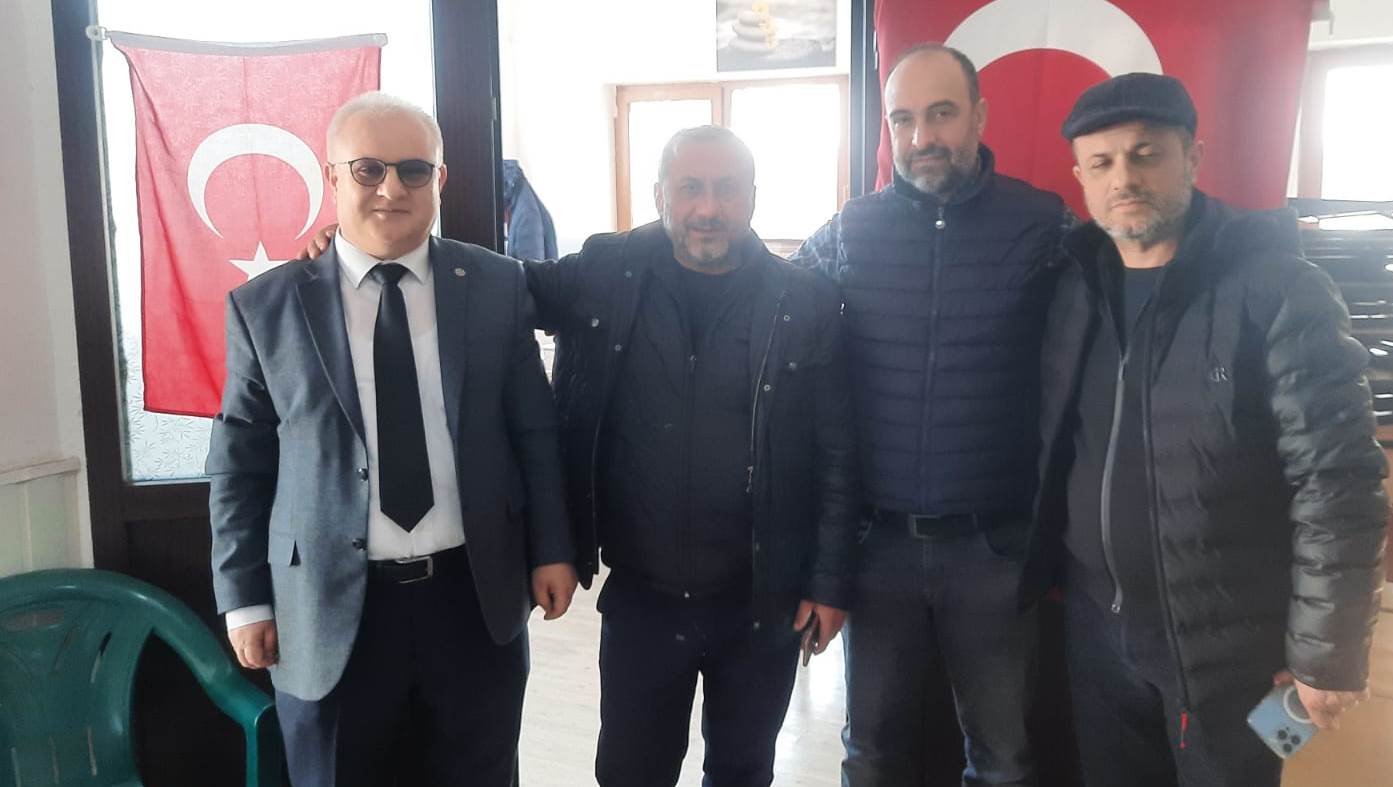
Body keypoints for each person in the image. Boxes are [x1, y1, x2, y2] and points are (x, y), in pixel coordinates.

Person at [1023, 72, 1387, 787]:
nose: (1124, 178)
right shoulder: (1075, 287)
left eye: (1145, 154)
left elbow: (1338, 480)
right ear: (1080, 178)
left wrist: (1327, 653)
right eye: (1101, 162)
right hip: (1095, 634)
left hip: (1230, 650)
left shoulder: (1279, 288)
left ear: (1192, 156)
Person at [207, 91, 577, 787]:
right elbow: (239, 464)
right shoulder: (267, 306)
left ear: (440, 179)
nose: (390, 188)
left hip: (472, 599)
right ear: (333, 176)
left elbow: (534, 429)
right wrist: (245, 598)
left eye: (412, 169)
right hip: (326, 607)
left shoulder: (495, 285)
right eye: (368, 169)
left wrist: (553, 548)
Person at [527, 125, 860, 787]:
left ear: (753, 196)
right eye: (690, 189)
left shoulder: (805, 301)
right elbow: (495, 289)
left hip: (761, 599)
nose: (708, 207)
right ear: (660, 196)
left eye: (726, 189)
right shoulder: (607, 272)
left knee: (742, 771)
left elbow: (837, 453)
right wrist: (356, 245)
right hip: (642, 598)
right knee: (630, 771)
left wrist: (828, 582)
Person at [792, 44, 1070, 786]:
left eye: (941, 114)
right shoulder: (850, 230)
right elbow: (771, 308)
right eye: (903, 119)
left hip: (993, 550)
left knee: (1003, 757)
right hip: (878, 550)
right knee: (871, 751)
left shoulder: (1042, 225)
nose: (922, 138)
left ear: (979, 116)